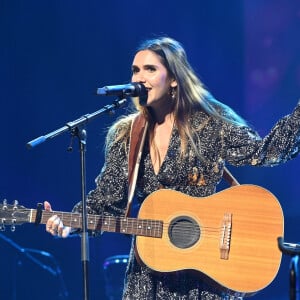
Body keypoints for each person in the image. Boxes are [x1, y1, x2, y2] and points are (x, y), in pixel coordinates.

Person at [44, 36, 300, 299]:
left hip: (203, 277)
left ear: (174, 79)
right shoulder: (126, 135)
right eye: (135, 70)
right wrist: (70, 223)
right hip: (147, 277)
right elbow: (105, 202)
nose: (139, 77)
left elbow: (266, 152)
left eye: (150, 69)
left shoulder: (208, 125)